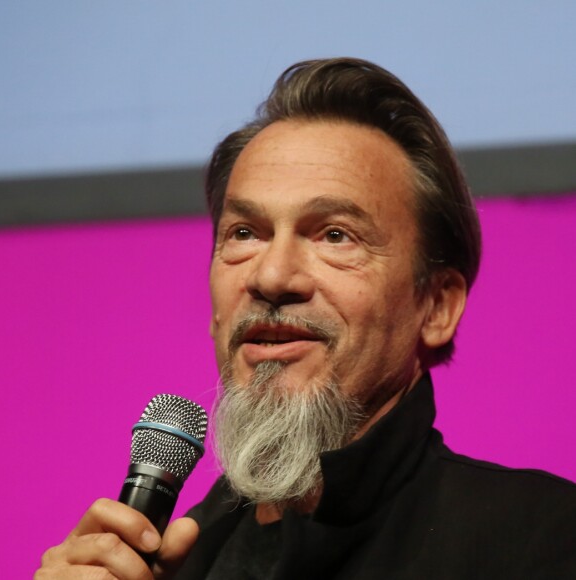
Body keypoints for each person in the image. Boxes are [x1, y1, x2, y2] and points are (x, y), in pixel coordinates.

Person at [36, 58, 576, 579]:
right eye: (244, 234)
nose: (271, 277)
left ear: (436, 306)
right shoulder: (170, 563)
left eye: (335, 235)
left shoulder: (543, 541)